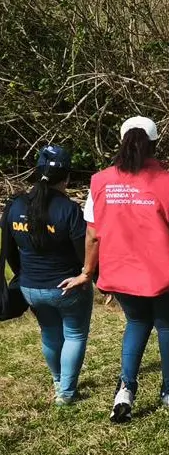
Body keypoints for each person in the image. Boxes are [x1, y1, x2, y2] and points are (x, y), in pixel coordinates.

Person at [61, 116, 169, 423]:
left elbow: (93, 234)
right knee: (167, 327)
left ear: (122, 141)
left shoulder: (99, 182)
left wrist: (87, 271)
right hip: (163, 272)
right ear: (154, 145)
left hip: (120, 272)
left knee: (136, 324)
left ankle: (125, 389)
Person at [1, 145, 92, 405]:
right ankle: (66, 392)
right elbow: (82, 251)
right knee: (74, 335)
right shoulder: (69, 209)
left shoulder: (15, 205)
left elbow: (8, 250)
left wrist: (22, 275)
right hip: (67, 286)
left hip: (31, 287)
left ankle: (57, 380)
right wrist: (86, 275)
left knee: (50, 333)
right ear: (66, 178)